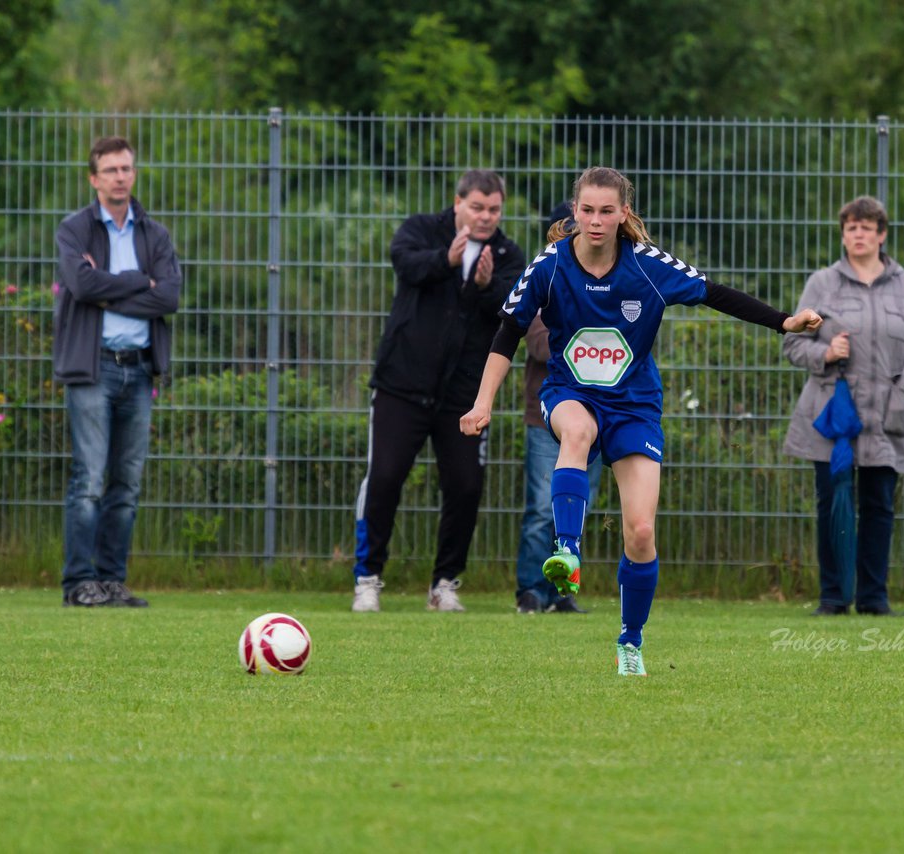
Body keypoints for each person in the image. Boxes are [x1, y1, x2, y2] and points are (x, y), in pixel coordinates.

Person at [461, 166, 821, 675]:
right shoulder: (549, 266)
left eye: (607, 211)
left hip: (634, 406)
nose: (595, 220)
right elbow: (507, 333)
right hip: (569, 392)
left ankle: (630, 640)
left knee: (642, 531)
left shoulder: (647, 266)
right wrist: (483, 403)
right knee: (578, 433)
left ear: (623, 213)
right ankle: (566, 551)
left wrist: (784, 321)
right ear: (574, 211)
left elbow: (714, 293)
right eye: (586, 210)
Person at [351, 170, 527, 613]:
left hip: (464, 397)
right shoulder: (421, 231)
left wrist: (487, 287)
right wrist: (444, 262)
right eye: (477, 207)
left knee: (466, 487)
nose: (485, 217)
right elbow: (404, 262)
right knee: (385, 479)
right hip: (401, 386)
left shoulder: (507, 254)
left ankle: (444, 584)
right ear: (457, 203)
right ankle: (367, 578)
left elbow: (516, 305)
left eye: (493, 209)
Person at [782, 195, 904, 617]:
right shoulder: (822, 284)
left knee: (878, 506)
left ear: (882, 235)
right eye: (851, 227)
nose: (858, 234)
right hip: (834, 415)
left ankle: (873, 599)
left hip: (886, 416)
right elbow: (793, 342)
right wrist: (825, 353)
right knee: (833, 501)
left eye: (867, 227)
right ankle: (833, 597)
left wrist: (903, 388)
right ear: (843, 234)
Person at [54, 136, 181, 607]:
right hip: (94, 369)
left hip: (139, 370)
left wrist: (112, 291)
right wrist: (137, 283)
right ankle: (79, 583)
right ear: (93, 179)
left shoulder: (156, 234)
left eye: (126, 168)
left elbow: (168, 297)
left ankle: (111, 581)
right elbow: (82, 285)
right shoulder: (74, 230)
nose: (120, 177)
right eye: (110, 170)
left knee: (126, 484)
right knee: (89, 480)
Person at [514, 202, 602, 615]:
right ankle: (531, 591)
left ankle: (562, 590)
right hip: (547, 417)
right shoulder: (542, 278)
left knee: (577, 504)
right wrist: (584, 333)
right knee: (540, 508)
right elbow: (535, 344)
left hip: (601, 413)